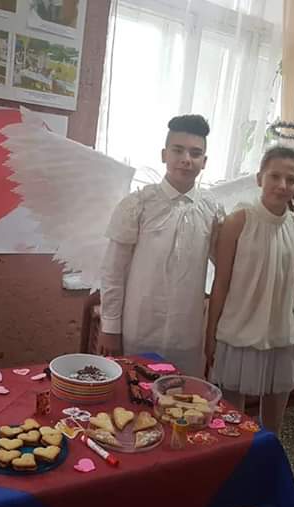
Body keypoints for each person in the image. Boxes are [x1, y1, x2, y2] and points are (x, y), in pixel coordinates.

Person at [98, 115, 224, 377]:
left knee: (183, 397)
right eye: (178, 150)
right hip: (138, 330)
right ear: (164, 154)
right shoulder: (137, 204)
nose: (186, 159)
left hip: (187, 335)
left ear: (204, 161)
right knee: (134, 393)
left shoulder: (212, 210)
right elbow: (113, 270)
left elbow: (227, 266)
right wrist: (110, 327)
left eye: (195, 153)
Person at [205, 146, 294, 434]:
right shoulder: (237, 222)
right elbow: (221, 282)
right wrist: (210, 335)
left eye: (291, 179)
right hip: (239, 330)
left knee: (273, 425)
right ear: (259, 178)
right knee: (231, 421)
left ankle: (267, 458)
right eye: (274, 176)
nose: (282, 185)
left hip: (282, 332)